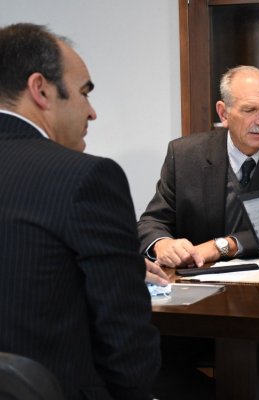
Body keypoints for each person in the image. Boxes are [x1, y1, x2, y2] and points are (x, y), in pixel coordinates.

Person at [0, 23, 165, 399]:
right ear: (40, 89)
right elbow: (126, 343)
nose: (92, 113)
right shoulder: (87, 177)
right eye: (84, 93)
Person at [137, 65, 259, 268]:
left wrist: (222, 246)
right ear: (223, 113)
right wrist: (163, 244)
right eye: (250, 110)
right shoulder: (184, 155)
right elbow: (151, 223)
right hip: (196, 279)